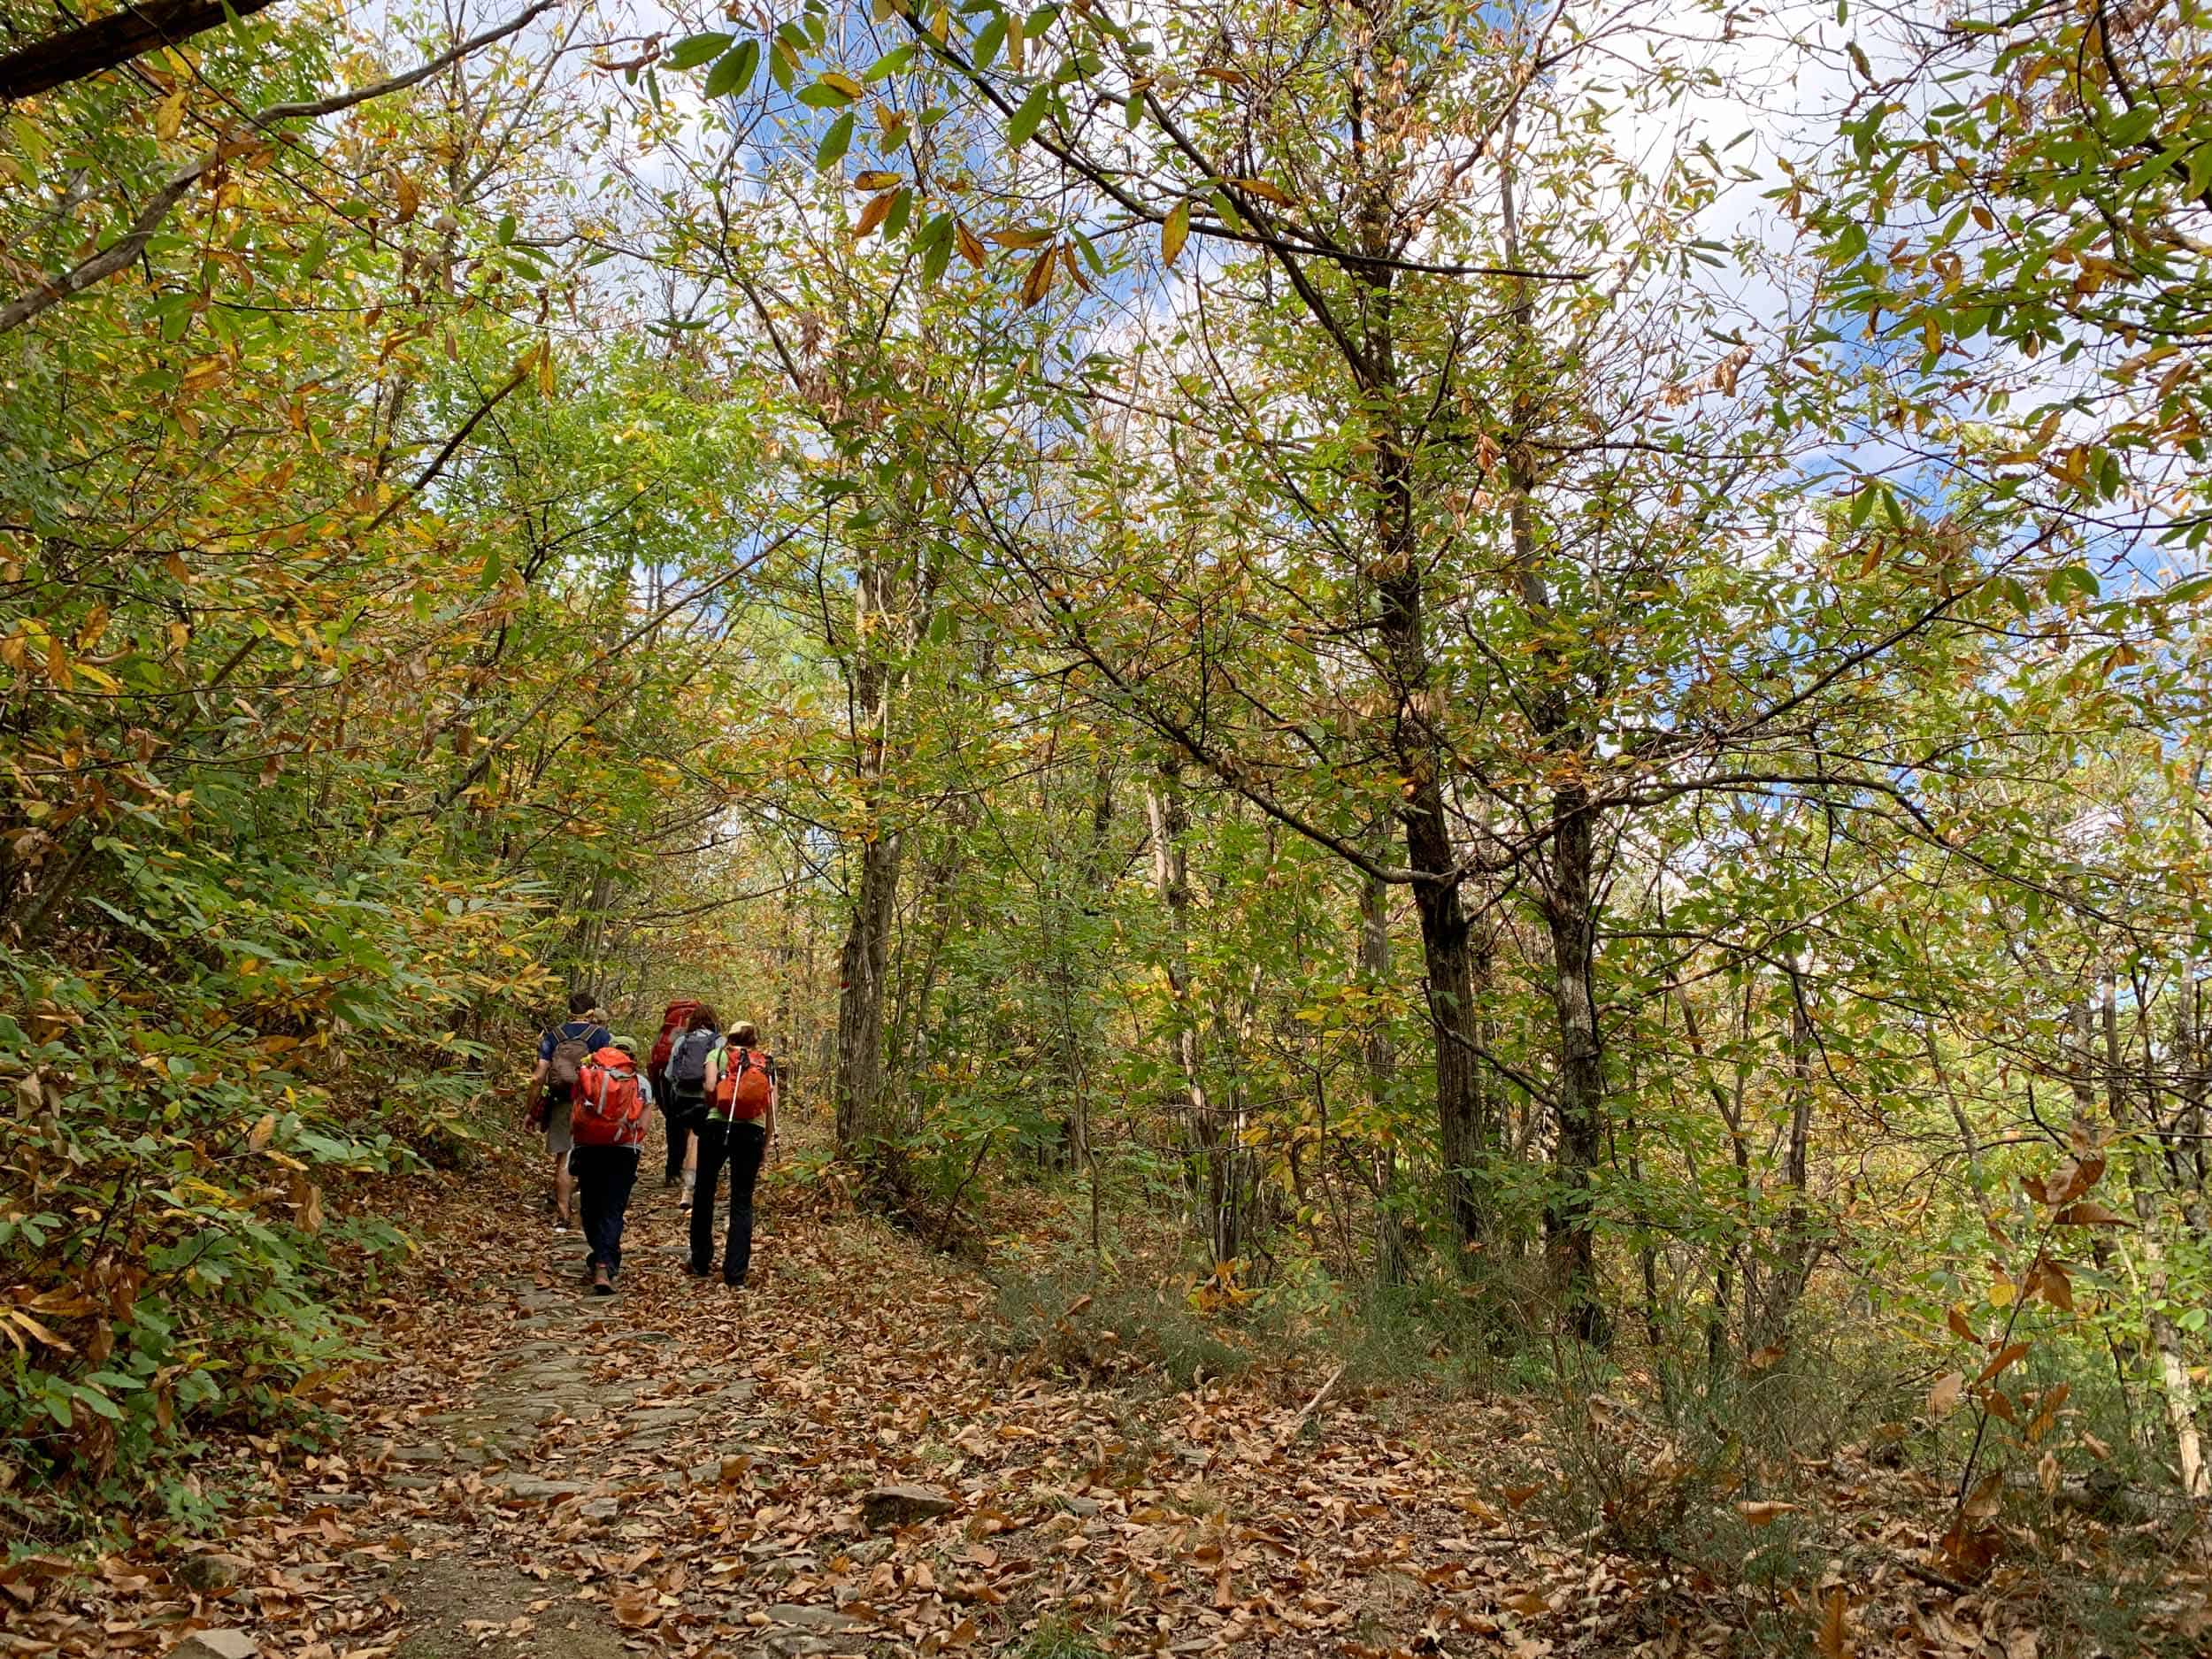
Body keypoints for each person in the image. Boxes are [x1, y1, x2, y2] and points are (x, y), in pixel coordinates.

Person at [689, 1019, 776, 1287]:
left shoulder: (717, 1054)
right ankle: (735, 1271)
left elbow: (709, 1087)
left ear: (729, 1037)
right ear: (754, 1041)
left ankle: (701, 1260)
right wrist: (767, 1142)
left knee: (704, 1192)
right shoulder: (765, 1063)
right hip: (752, 1131)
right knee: (742, 1199)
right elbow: (772, 1106)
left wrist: (713, 1103)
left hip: (717, 1126)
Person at [570, 1035, 650, 1295]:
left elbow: (576, 1108)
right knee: (613, 1209)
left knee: (590, 1206)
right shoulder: (641, 1083)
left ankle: (601, 1257)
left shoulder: (589, 1074)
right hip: (624, 1150)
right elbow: (644, 1126)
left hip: (588, 1147)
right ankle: (605, 1263)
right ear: (633, 1057)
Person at [525, 990, 611, 1233]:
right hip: (591, 1103)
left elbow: (538, 1077)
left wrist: (531, 1110)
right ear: (592, 1012)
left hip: (561, 1101)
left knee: (565, 1155)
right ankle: (589, 1214)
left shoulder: (554, 1035)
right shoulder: (602, 1036)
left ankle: (563, 1214)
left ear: (569, 1011)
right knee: (593, 1157)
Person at [662, 1004, 721, 1202]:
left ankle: (673, 1171)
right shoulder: (719, 1041)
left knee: (676, 1130)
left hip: (682, 1094)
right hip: (707, 1095)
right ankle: (702, 1175)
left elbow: (669, 1073)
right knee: (703, 1136)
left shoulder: (681, 1040)